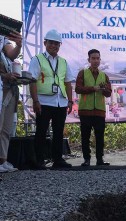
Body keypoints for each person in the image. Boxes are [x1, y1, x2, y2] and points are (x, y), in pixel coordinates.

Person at [28, 29, 74, 169]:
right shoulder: (37, 59)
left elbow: (67, 83)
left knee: (58, 131)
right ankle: (39, 161)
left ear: (59, 45)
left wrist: (70, 101)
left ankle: (57, 159)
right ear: (45, 43)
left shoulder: (64, 62)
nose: (54, 46)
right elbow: (32, 81)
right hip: (43, 101)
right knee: (41, 131)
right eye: (51, 43)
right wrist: (35, 101)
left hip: (60, 101)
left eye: (57, 43)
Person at [75, 49, 111, 166]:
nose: (95, 61)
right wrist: (93, 88)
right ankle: (87, 159)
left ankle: (100, 160)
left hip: (99, 111)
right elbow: (78, 89)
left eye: (97, 58)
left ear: (100, 60)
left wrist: (103, 89)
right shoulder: (82, 73)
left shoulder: (104, 75)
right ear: (89, 60)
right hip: (85, 110)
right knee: (85, 136)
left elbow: (109, 93)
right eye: (93, 58)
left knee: (99, 137)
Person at [0, 31, 23, 173]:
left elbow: (11, 54)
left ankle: (2, 159)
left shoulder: (2, 39)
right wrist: (4, 75)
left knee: (6, 128)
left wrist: (19, 46)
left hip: (9, 91)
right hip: (2, 90)